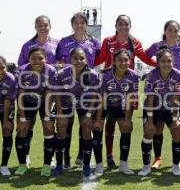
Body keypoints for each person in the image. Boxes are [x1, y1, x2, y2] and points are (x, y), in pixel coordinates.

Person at [93, 14, 157, 169]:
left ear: (130, 26)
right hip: (109, 86)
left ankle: (123, 162)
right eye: (120, 24)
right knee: (108, 124)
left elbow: (144, 58)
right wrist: (80, 66)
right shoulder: (108, 41)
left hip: (128, 88)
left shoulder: (134, 42)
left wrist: (160, 65)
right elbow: (100, 59)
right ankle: (108, 156)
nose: (123, 26)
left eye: (126, 24)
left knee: (126, 123)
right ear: (116, 26)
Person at [145, 20, 180, 169]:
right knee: (158, 128)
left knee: (176, 127)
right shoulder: (157, 46)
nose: (172, 33)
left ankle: (177, 160)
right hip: (158, 93)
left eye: (175, 30)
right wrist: (153, 68)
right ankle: (157, 158)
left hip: (176, 91)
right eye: (170, 30)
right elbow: (144, 55)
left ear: (178, 32)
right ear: (165, 31)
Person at [56, 12, 100, 168]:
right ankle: (65, 157)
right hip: (69, 85)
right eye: (76, 22)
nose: (79, 24)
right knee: (65, 126)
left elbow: (99, 60)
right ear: (72, 25)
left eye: (82, 22)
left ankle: (82, 155)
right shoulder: (64, 42)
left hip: (87, 86)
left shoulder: (94, 42)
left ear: (86, 24)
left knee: (85, 124)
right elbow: (58, 62)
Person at [17, 15, 59, 168]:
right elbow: (21, 67)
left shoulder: (57, 44)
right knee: (27, 125)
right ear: (35, 27)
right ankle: (25, 155)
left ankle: (51, 158)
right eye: (39, 25)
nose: (43, 27)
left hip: (49, 91)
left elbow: (63, 63)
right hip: (29, 94)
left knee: (49, 126)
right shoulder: (27, 45)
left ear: (50, 26)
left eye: (45, 25)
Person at [54, 47, 101, 177]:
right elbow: (57, 94)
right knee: (62, 128)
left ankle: (86, 165)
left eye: (82, 58)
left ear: (86, 60)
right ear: (70, 59)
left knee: (86, 128)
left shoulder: (92, 74)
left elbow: (94, 97)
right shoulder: (62, 73)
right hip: (66, 103)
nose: (79, 61)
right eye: (75, 58)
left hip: (85, 105)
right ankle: (59, 164)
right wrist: (60, 114)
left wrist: (88, 115)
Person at [138, 47, 180, 176]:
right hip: (153, 107)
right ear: (158, 63)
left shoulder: (178, 74)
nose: (166, 64)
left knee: (176, 130)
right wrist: (150, 121)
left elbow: (176, 97)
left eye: (169, 61)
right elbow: (150, 97)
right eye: (163, 61)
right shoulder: (152, 75)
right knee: (149, 131)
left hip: (170, 107)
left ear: (173, 62)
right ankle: (146, 166)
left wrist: (175, 119)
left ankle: (175, 165)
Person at [94, 49, 140, 174]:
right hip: (104, 104)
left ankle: (123, 165)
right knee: (97, 128)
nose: (123, 63)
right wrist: (98, 119)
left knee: (126, 128)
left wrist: (127, 119)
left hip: (120, 104)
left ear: (129, 62)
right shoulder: (105, 75)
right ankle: (99, 165)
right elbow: (101, 99)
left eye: (126, 60)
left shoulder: (134, 76)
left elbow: (131, 98)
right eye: (120, 60)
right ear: (114, 61)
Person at [14, 47, 57, 177]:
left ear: (46, 59)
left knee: (49, 129)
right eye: (33, 58)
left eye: (40, 58)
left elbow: (49, 93)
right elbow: (20, 95)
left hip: (46, 101)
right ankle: (22, 164)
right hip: (27, 101)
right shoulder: (22, 71)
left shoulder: (50, 70)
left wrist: (48, 117)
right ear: (28, 59)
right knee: (22, 129)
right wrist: (21, 119)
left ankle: (47, 164)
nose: (37, 61)